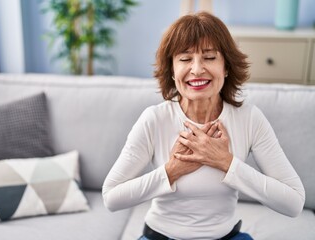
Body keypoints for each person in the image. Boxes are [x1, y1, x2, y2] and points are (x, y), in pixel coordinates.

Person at [102, 12, 305, 240]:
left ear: (226, 67)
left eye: (209, 58)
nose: (197, 69)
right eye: (185, 59)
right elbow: (111, 197)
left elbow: (294, 202)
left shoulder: (249, 119)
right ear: (172, 69)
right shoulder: (154, 119)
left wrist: (225, 162)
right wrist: (171, 171)